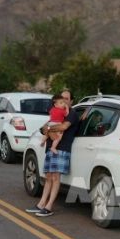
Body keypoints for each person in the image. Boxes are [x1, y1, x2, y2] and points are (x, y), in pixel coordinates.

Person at [26, 89, 80, 217]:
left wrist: (49, 128)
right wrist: (47, 129)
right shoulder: (56, 112)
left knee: (56, 178)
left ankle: (49, 207)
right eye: (62, 98)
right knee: (48, 177)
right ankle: (41, 204)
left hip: (61, 149)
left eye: (67, 99)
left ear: (71, 101)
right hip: (51, 148)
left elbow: (63, 127)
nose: (64, 101)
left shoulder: (71, 114)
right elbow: (43, 129)